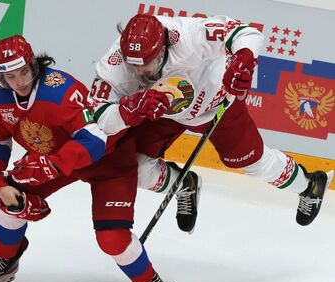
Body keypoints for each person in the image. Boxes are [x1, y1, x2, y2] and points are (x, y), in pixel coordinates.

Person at [0, 35, 182, 282]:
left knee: (112, 239)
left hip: (109, 159)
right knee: (11, 199)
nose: (18, 82)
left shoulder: (61, 91)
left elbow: (95, 140)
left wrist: (53, 165)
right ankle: (5, 261)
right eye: (10, 76)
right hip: (54, 159)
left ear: (34, 64)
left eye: (24, 72)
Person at [89, 13, 333, 227]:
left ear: (163, 48)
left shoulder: (188, 35)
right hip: (159, 110)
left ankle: (309, 185)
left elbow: (245, 32)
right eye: (134, 69)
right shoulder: (114, 65)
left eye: (148, 65)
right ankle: (185, 184)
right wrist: (129, 110)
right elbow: (100, 118)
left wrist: (244, 60)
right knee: (136, 168)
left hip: (216, 103)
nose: (140, 73)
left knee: (253, 163)